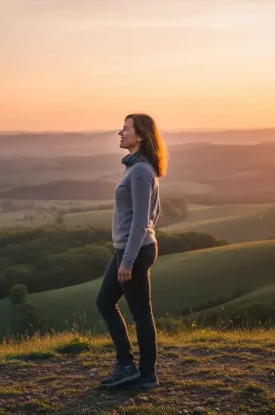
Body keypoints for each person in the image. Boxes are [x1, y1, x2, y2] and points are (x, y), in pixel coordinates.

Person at [96, 113, 168, 389]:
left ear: (140, 136)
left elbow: (141, 220)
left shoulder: (138, 171)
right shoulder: (137, 167)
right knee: (105, 302)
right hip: (131, 248)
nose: (120, 132)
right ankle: (127, 366)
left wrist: (127, 260)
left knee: (140, 313)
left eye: (125, 129)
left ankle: (146, 373)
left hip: (132, 252)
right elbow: (155, 211)